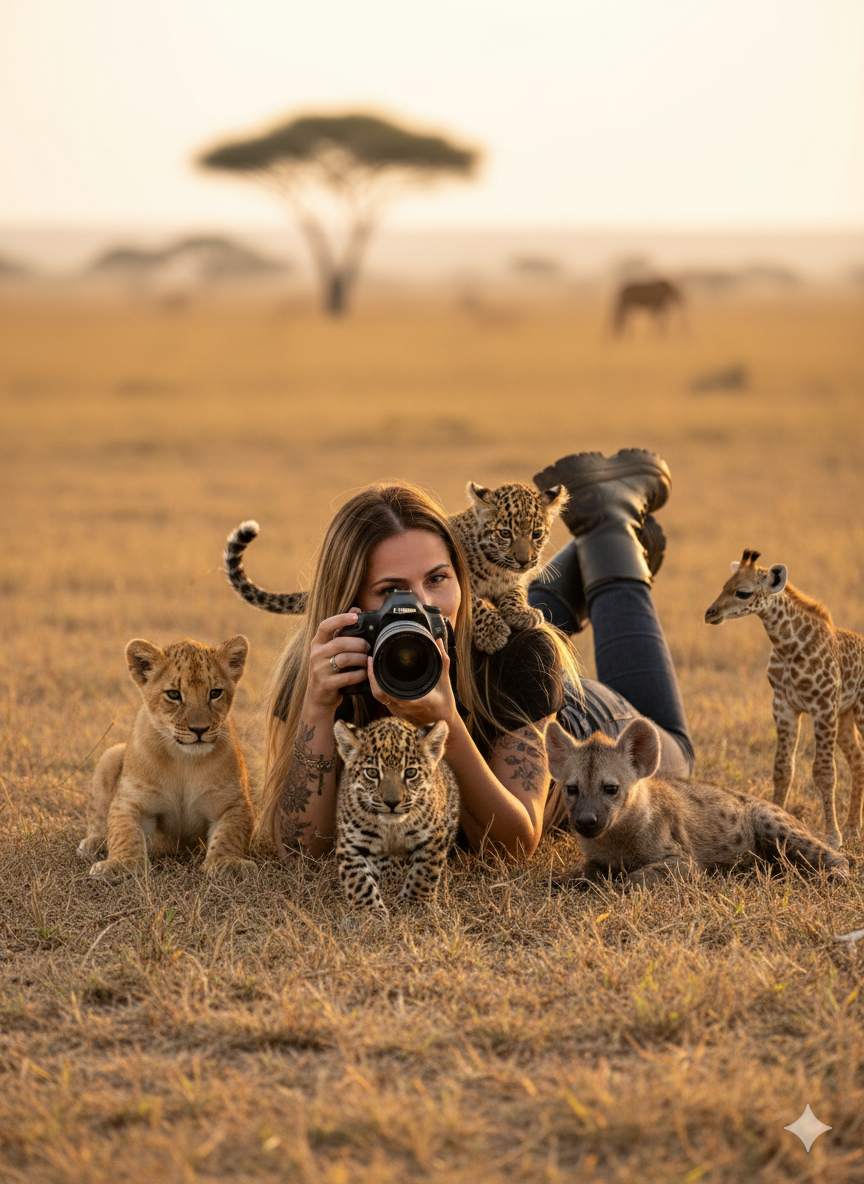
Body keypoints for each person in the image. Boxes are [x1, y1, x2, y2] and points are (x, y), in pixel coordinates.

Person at [258, 449, 693, 859]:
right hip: (503, 664)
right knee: (512, 618)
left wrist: (444, 721)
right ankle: (599, 539)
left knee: (679, 755)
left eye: (438, 578)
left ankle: (610, 522)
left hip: (590, 725)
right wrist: (316, 709)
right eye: (391, 590)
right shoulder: (324, 665)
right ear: (349, 604)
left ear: (463, 578)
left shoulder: (521, 655)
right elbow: (301, 854)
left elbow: (514, 847)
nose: (423, 606)